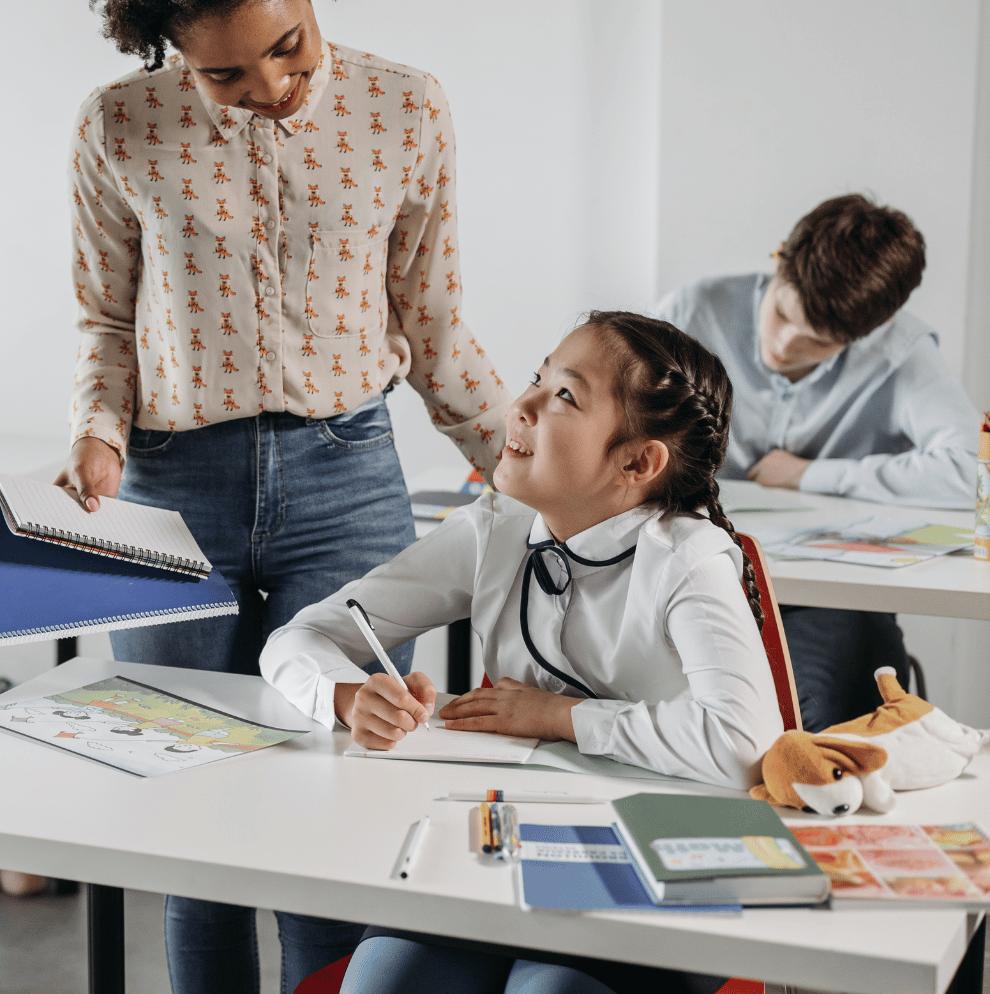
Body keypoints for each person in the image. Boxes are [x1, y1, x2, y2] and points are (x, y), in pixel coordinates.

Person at [55, 0, 508, 988]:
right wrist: (96, 433)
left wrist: (539, 465)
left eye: (290, 47)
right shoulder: (117, 127)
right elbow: (106, 324)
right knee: (193, 810)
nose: (271, 86)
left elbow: (435, 327)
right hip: (173, 488)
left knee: (342, 797)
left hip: (349, 478)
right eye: (225, 73)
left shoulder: (408, 108)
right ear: (165, 44)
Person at [263, 313, 782, 994]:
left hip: (661, 865)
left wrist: (558, 716)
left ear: (637, 462)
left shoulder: (687, 560)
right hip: (504, 850)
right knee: (382, 985)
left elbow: (745, 743)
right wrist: (346, 695)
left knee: (547, 993)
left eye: (564, 396)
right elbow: (298, 639)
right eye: (538, 379)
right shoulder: (495, 530)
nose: (523, 405)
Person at [654, 194, 979, 730]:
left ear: (867, 333)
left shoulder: (900, 352)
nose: (783, 346)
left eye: (818, 343)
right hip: (689, 575)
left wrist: (810, 474)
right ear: (779, 257)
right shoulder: (693, 312)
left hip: (825, 601)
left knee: (824, 716)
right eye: (781, 314)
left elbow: (972, 471)